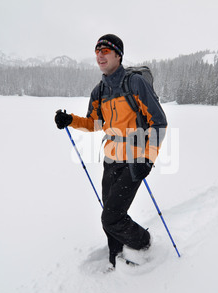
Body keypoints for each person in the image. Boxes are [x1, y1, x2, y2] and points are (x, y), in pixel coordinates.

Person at [54, 34, 168, 269]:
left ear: (118, 55)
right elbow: (94, 123)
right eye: (97, 51)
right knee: (110, 215)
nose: (100, 55)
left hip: (135, 160)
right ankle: (116, 257)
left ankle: (144, 243)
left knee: (111, 217)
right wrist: (70, 120)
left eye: (105, 50)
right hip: (110, 159)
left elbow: (158, 121)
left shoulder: (135, 83)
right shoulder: (99, 90)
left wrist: (148, 158)